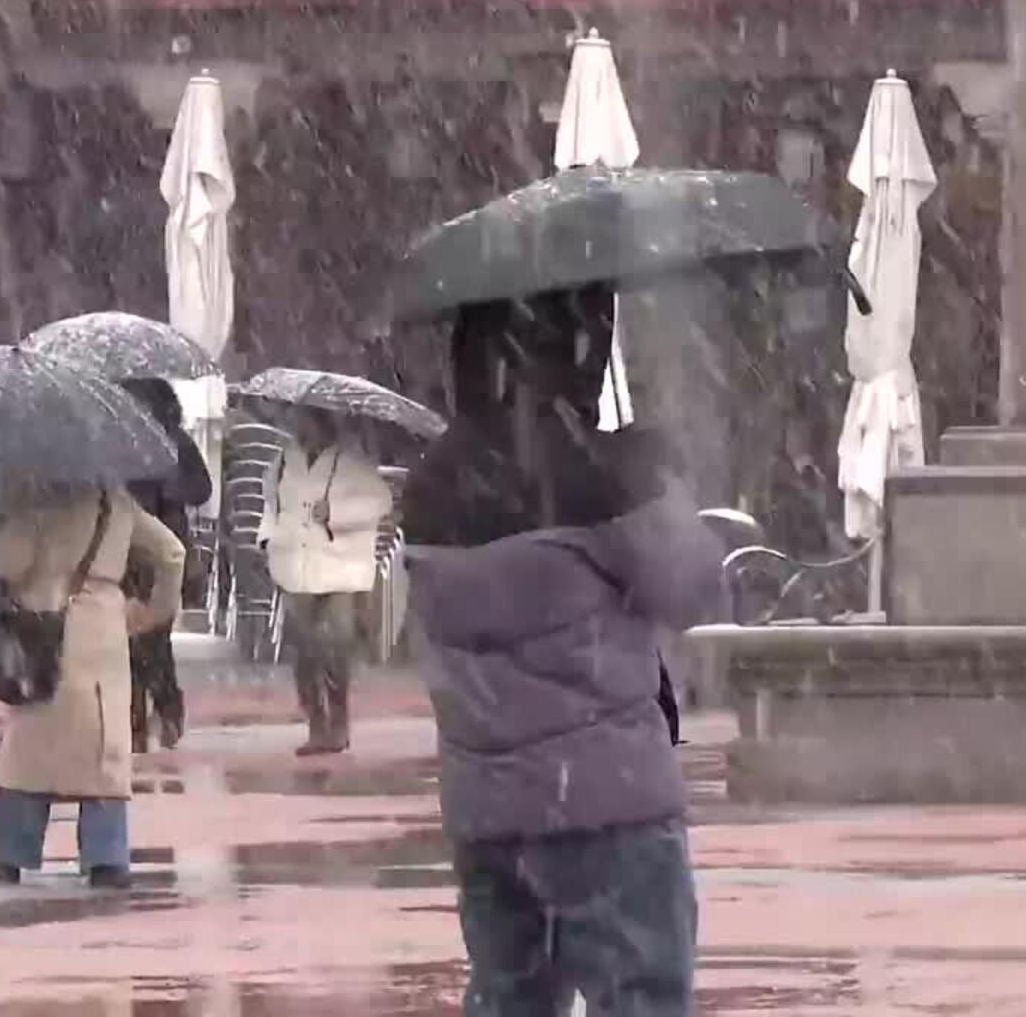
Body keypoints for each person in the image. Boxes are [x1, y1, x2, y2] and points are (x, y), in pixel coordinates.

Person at [400, 288, 727, 1016]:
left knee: (510, 999)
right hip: (607, 802)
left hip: (487, 810)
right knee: (641, 997)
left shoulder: (433, 480)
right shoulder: (594, 475)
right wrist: (655, 476)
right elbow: (693, 585)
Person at [0, 487, 186, 888]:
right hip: (104, 626)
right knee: (103, 747)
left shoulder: (37, 497)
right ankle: (107, 855)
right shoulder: (117, 501)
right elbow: (172, 553)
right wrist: (155, 610)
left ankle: (9, 850)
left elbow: (10, 563)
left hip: (46, 625)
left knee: (32, 747)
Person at [258, 409, 393, 757]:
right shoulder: (283, 461)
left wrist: (335, 513)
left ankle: (339, 721)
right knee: (304, 651)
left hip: (340, 568)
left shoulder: (352, 460)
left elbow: (381, 502)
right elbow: (272, 504)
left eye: (308, 422)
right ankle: (316, 723)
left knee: (335, 645)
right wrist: (267, 539)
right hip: (295, 565)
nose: (301, 428)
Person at [122, 380, 213, 754]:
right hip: (125, 549)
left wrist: (169, 486)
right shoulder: (119, 445)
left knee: (154, 638)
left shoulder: (176, 442)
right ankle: (136, 718)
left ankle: (165, 706)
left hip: (165, 550)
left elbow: (201, 489)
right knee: (127, 637)